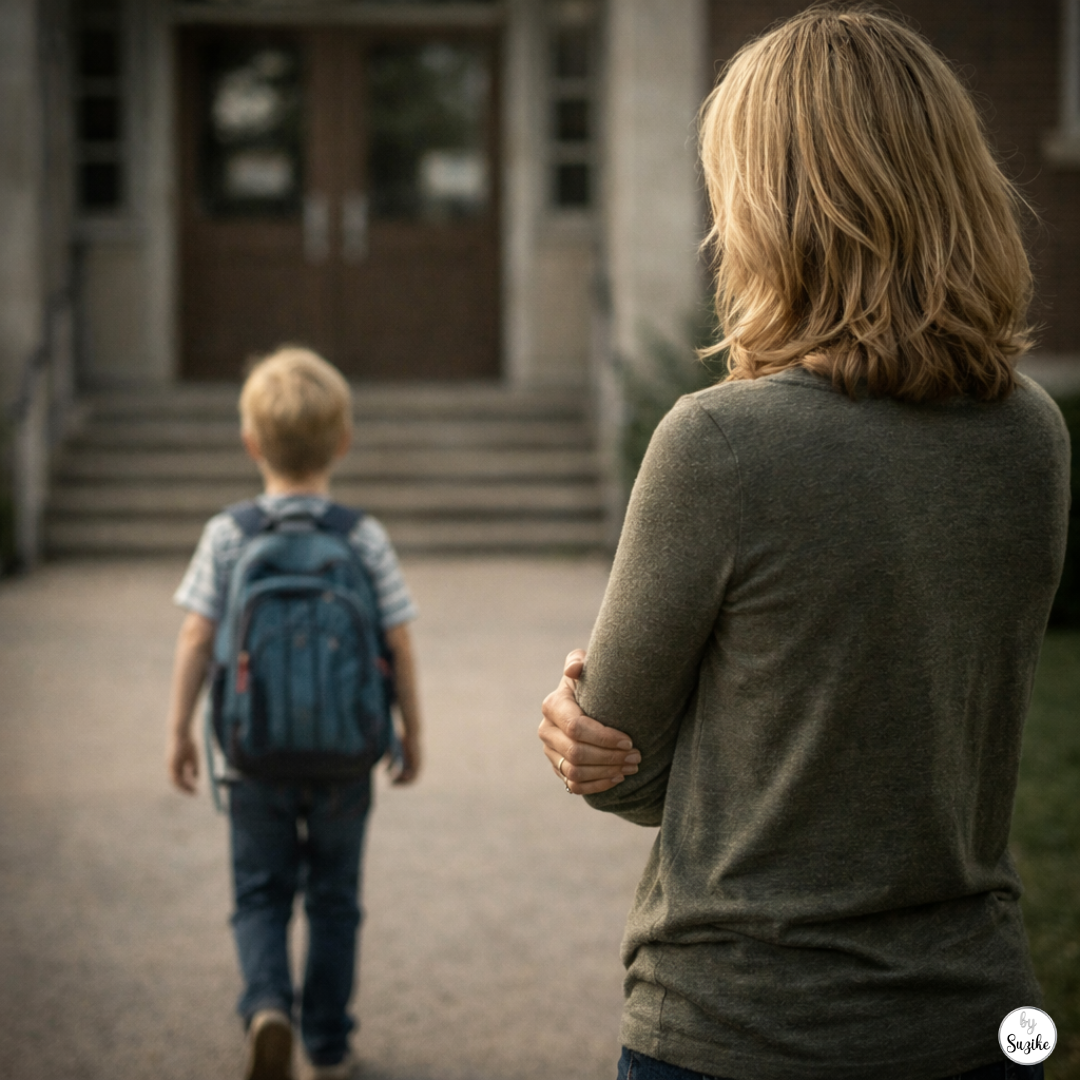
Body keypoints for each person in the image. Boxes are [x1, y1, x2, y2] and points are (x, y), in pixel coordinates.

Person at [539, 7, 1070, 1080]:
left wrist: (578, 732)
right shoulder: (1034, 435)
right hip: (983, 1017)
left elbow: (623, 775)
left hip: (743, 1028)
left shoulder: (721, 444)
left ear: (772, 206)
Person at [166, 346, 422, 1080]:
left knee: (260, 893)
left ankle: (268, 1005)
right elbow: (399, 639)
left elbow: (195, 635)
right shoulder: (360, 535)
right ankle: (329, 1040)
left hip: (254, 752)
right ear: (342, 443)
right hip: (347, 754)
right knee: (336, 900)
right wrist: (412, 731)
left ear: (251, 444)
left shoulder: (229, 535)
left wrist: (178, 729)